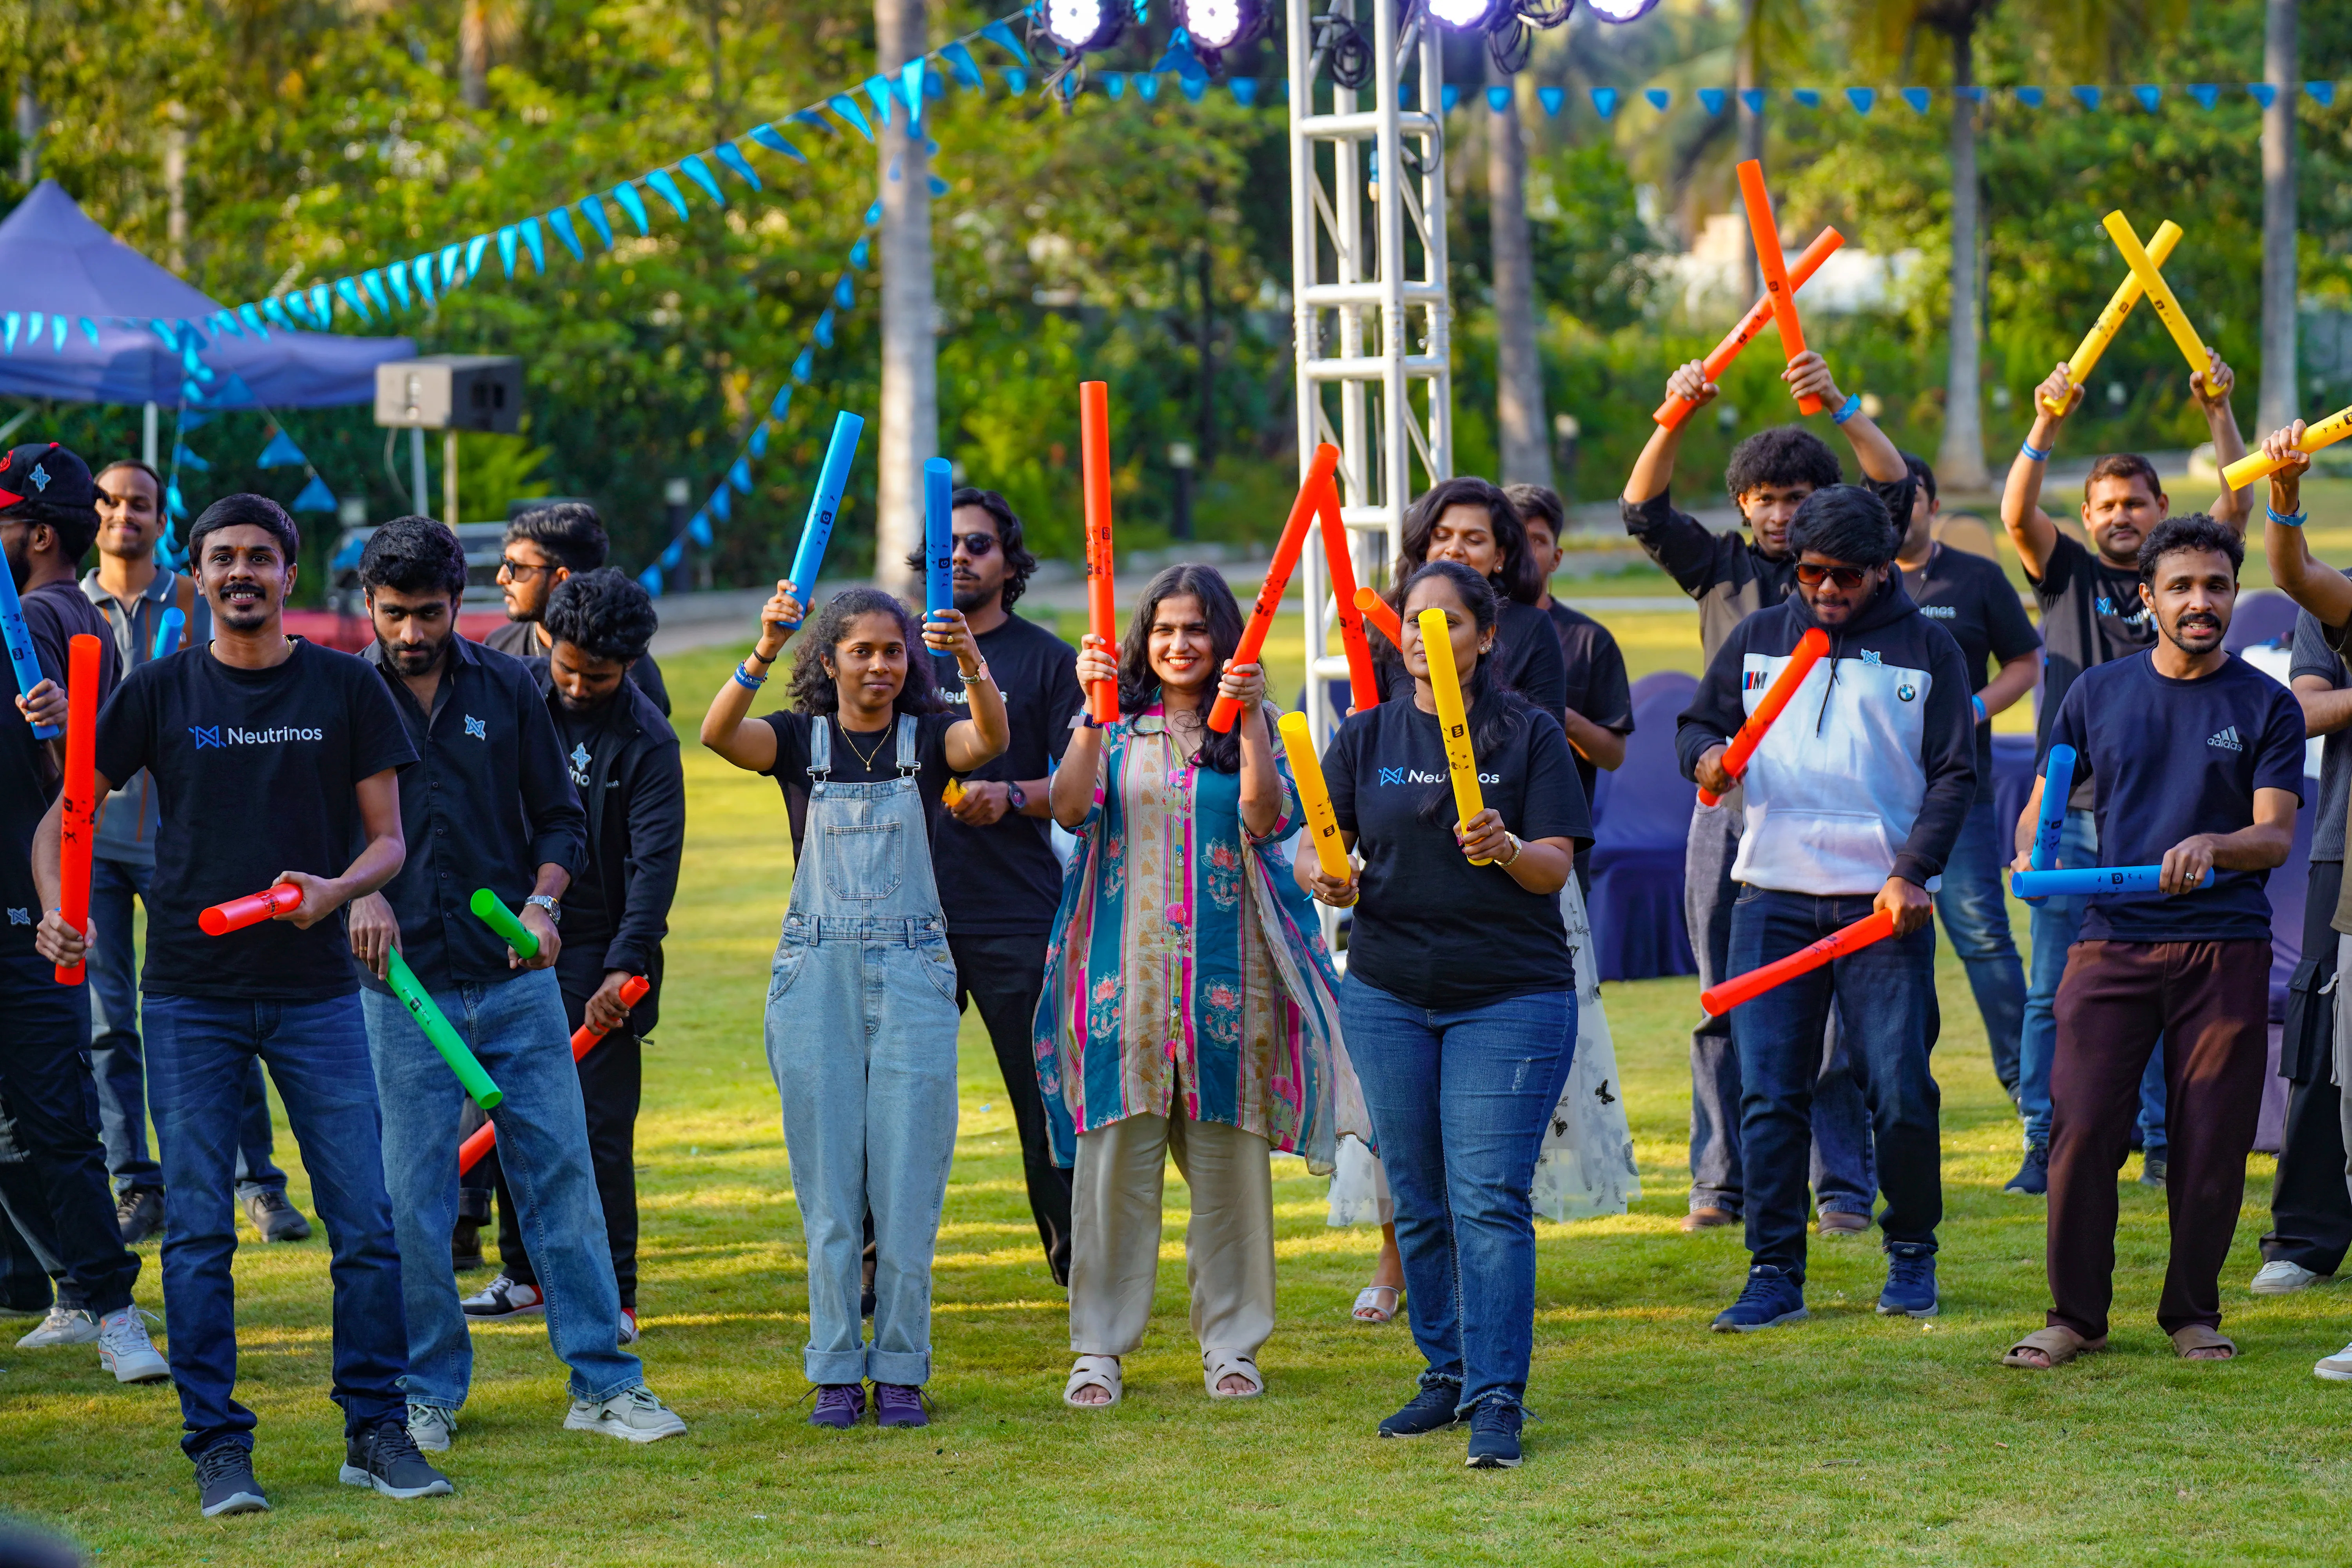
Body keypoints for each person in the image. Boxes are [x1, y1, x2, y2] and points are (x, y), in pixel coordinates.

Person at [31, 493, 449, 1516]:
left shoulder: (347, 686)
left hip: (316, 993)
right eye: (223, 557)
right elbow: (64, 817)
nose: (242, 572)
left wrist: (336, 891)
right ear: (200, 575)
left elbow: (389, 840)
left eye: (261, 556)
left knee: (366, 1221)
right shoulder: (159, 689)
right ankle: (218, 1445)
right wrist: (57, 908)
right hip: (191, 994)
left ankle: (376, 1430)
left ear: (288, 575)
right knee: (197, 1235)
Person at [340, 517, 684, 1450]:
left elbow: (559, 819)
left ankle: (604, 1381)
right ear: (368, 605)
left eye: (430, 612)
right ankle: (426, 1392)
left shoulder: (509, 686)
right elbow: (311, 825)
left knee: (562, 1175)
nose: (412, 632)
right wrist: (357, 893)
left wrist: (544, 903)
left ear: (460, 601)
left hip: (514, 977)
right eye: (394, 613)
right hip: (399, 986)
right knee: (415, 1196)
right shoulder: (339, 693)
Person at [1039, 564, 1355, 1412]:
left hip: (1228, 981)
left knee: (1230, 1179)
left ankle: (1232, 1343)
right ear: (1143, 640)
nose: (1180, 644)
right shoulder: (1112, 723)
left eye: (1197, 628)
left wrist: (1247, 717)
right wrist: (1089, 711)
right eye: (1165, 630)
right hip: (1124, 983)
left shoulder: (1262, 727)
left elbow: (1264, 818)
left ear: (1226, 639)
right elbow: (1068, 809)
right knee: (1113, 1175)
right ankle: (1098, 1348)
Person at [1299, 559, 1586, 1470]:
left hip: (1510, 996)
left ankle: (1497, 1393)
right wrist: (1325, 873)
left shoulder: (1530, 733)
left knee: (1487, 1197)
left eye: (1449, 622)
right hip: (1388, 994)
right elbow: (1317, 840)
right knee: (1418, 1199)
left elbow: (1555, 865)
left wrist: (1507, 846)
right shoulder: (1366, 733)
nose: (1427, 638)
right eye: (1414, 620)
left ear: (1485, 636)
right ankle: (1447, 1369)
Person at [701, 581, 1006, 1431]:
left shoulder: (931, 739)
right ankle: (835, 1367)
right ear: (828, 660)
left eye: (893, 651)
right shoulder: (798, 740)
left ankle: (901, 1368)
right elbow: (718, 732)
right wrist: (763, 646)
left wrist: (970, 660)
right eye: (861, 650)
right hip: (817, 975)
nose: (879, 665)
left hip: (913, 973)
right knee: (831, 1194)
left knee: (909, 1188)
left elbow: (991, 738)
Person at [2002, 514, 2299, 1370]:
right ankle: (2075, 1317)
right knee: (2082, 1125)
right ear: (2149, 597)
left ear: (2234, 595)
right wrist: (2032, 852)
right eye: (2182, 587)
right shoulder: (2095, 693)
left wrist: (2214, 846)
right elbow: (2042, 804)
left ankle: (2193, 1312)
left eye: (2217, 586)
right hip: (2114, 941)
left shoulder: (2267, 704)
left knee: (2211, 1138)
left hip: (2224, 943)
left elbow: (2274, 836)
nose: (2201, 602)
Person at [1677, 484, 1974, 1330]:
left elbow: (1955, 774)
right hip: (1771, 894)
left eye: (1847, 573)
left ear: (1882, 568)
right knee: (1769, 1093)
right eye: (1812, 572)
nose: (1829, 588)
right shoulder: (1758, 637)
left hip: (1883, 908)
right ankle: (1774, 1272)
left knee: (1899, 1089)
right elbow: (1696, 725)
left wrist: (1913, 871)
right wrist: (1706, 759)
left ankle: (1911, 1252)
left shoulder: (1929, 649)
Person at [1622, 350, 1900, 1234]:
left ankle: (1842, 1185)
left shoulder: (1847, 576)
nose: (1780, 514)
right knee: (1722, 995)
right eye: (1765, 498)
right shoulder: (1720, 568)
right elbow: (1642, 509)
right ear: (1743, 504)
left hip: (1833, 809)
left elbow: (1894, 485)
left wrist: (1840, 401)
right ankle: (1720, 1180)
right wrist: (1674, 413)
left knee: (1835, 1010)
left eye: (1796, 497)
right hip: (1731, 809)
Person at [1998, 353, 2249, 1196]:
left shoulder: (2187, 577)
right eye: (2105, 505)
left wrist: (2217, 411)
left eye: (2134, 502)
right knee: (2054, 986)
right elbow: (2015, 511)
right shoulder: (2066, 571)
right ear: (2086, 515)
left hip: (2159, 811)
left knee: (2157, 977)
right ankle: (2043, 1140)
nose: (2119, 515)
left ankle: (2161, 1142)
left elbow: (2238, 503)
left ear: (2161, 508)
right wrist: (2048, 416)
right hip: (2072, 809)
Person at [76, 457, 305, 1249]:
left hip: (189, 839)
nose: (124, 515)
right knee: (110, 1022)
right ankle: (136, 1184)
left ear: (160, 518)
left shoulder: (197, 595)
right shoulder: (67, 606)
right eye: (110, 502)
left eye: (139, 503)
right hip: (96, 842)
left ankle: (258, 1183)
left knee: (227, 1003)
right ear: (93, 515)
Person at [465, 568, 683, 1344]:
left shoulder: (648, 739)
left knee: (596, 1129)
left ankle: (617, 1294)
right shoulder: (509, 693)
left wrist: (624, 966)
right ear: (547, 642)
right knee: (507, 1109)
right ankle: (523, 1274)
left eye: (600, 676)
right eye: (568, 668)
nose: (579, 687)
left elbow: (654, 866)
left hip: (596, 947)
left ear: (631, 664)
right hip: (504, 929)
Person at [0, 441, 167, 1384]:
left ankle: (108, 1306)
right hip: (33, 899)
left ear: (33, 534)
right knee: (38, 1119)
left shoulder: (34, 617)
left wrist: (64, 723)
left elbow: (65, 780)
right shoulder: (73, 610)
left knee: (55, 1118)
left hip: (26, 908)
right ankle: (76, 1291)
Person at [909, 487, 1082, 1285]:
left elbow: (1085, 785)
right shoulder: (895, 650)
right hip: (908, 914)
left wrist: (1011, 794)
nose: (960, 557)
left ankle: (1079, 1264)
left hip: (1015, 911)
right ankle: (878, 1271)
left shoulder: (1045, 659)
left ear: (1010, 562)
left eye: (978, 544)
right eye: (945, 547)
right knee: (895, 1100)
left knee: (1045, 1096)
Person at [1892, 453, 2040, 1102]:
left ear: (1932, 504)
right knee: (1875, 942)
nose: (1899, 511)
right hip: (1875, 794)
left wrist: (1973, 708)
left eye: (1910, 497)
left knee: (1981, 933)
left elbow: (2026, 662)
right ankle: (1883, 1089)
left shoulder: (1975, 577)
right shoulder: (1853, 582)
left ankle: (2028, 1082)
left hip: (1958, 790)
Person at [2252, 425, 2352, 1377]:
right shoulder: (2340, 597)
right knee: (2324, 1045)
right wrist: (2283, 497)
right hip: (2342, 851)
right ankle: (2306, 1237)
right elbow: (2303, 709)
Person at [1376, 476, 1567, 718]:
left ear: (1499, 556)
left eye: (1474, 540)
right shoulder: (1389, 622)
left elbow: (1548, 731)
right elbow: (1375, 717)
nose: (1454, 549)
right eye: (1442, 536)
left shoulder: (1532, 627)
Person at [484, 502, 669, 717]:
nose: (502, 578)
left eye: (516, 567)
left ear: (563, 579)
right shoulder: (498, 647)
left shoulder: (633, 676)